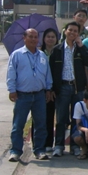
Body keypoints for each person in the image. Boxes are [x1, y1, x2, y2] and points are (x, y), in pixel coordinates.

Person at [6, 28, 53, 162]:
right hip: (22, 95)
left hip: (39, 95)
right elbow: (11, 73)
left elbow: (47, 74)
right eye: (30, 37)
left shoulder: (42, 55)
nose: (33, 39)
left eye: (35, 37)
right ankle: (15, 151)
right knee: (18, 124)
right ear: (24, 38)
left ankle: (39, 150)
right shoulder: (17, 55)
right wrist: (12, 90)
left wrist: (48, 89)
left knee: (40, 124)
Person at [49, 21, 88, 157]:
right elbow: (51, 70)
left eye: (75, 31)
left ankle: (75, 145)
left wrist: (81, 45)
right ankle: (59, 145)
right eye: (70, 30)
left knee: (76, 118)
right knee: (61, 118)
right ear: (65, 31)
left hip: (77, 88)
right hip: (62, 87)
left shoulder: (80, 49)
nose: (72, 33)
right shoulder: (57, 50)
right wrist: (51, 88)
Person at [33, 28, 59, 154]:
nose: (50, 39)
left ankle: (49, 143)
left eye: (53, 37)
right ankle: (37, 144)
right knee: (38, 118)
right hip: (40, 89)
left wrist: (52, 89)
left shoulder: (59, 52)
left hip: (54, 90)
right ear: (43, 39)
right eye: (48, 36)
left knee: (50, 116)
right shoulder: (38, 53)